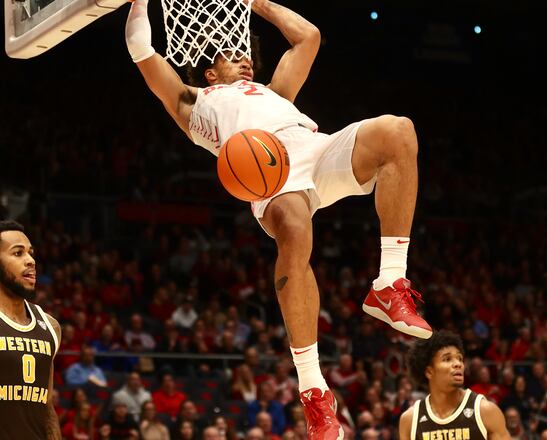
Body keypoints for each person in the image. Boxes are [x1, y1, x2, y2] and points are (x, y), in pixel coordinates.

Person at [125, 0, 433, 437]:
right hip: (269, 171)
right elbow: (140, 48)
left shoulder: (275, 92)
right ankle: (314, 391)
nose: (246, 57)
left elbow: (308, 37)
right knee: (293, 227)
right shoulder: (192, 102)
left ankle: (390, 283)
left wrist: (257, 4)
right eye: (233, 55)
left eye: (247, 53)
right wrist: (138, 3)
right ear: (210, 73)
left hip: (315, 148)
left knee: (398, 131)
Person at [0, 220, 62, 439]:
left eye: (31, 253)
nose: (30, 260)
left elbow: (47, 408)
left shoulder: (50, 326)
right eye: (18, 253)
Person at [399, 331, 509, 439]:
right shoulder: (410, 420)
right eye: (447, 359)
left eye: (460, 358)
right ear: (429, 372)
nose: (458, 364)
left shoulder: (485, 411)